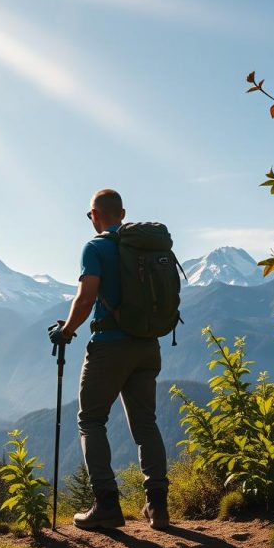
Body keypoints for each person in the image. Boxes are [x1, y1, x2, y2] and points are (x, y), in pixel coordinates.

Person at [48, 188, 169, 530]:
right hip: (148, 345)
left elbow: (86, 299)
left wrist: (67, 331)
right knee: (146, 424)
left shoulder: (97, 246)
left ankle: (107, 505)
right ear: (123, 212)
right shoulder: (146, 247)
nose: (91, 221)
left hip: (110, 347)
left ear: (96, 215)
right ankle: (158, 507)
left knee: (91, 421)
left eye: (89, 215)